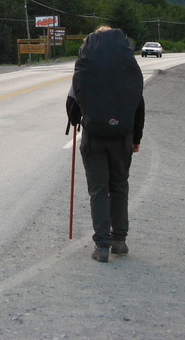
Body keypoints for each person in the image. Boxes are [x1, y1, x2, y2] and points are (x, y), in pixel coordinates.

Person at [66, 26, 145, 263]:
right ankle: (119, 241)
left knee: (98, 190)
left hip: (94, 138)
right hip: (122, 137)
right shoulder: (128, 68)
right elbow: (138, 104)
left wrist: (76, 120)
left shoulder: (86, 67)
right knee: (119, 186)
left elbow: (72, 104)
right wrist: (136, 138)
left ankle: (102, 246)